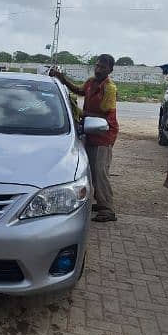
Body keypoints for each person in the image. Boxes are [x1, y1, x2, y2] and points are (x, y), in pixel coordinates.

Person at [50, 54, 119, 222]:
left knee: (100, 172)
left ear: (110, 69)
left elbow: (103, 111)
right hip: (91, 131)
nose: (98, 69)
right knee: (93, 171)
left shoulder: (109, 88)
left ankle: (108, 209)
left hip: (104, 132)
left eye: (102, 67)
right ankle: (101, 202)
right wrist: (62, 78)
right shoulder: (91, 82)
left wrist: (80, 113)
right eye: (97, 66)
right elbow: (79, 90)